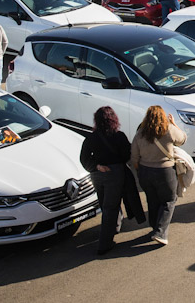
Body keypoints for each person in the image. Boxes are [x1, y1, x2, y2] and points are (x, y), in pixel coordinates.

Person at [80, 106, 136, 255]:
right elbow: (127, 155)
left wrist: (97, 166)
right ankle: (104, 243)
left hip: (97, 176)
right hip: (115, 174)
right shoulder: (119, 136)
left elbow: (84, 159)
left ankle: (115, 227)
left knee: (106, 204)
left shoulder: (91, 138)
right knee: (111, 206)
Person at [130, 105, 187, 245]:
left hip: (145, 172)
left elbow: (134, 157)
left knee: (152, 200)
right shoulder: (168, 130)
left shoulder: (140, 133)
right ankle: (160, 233)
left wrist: (140, 171)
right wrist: (173, 123)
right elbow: (182, 139)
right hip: (165, 172)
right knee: (169, 200)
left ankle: (155, 228)